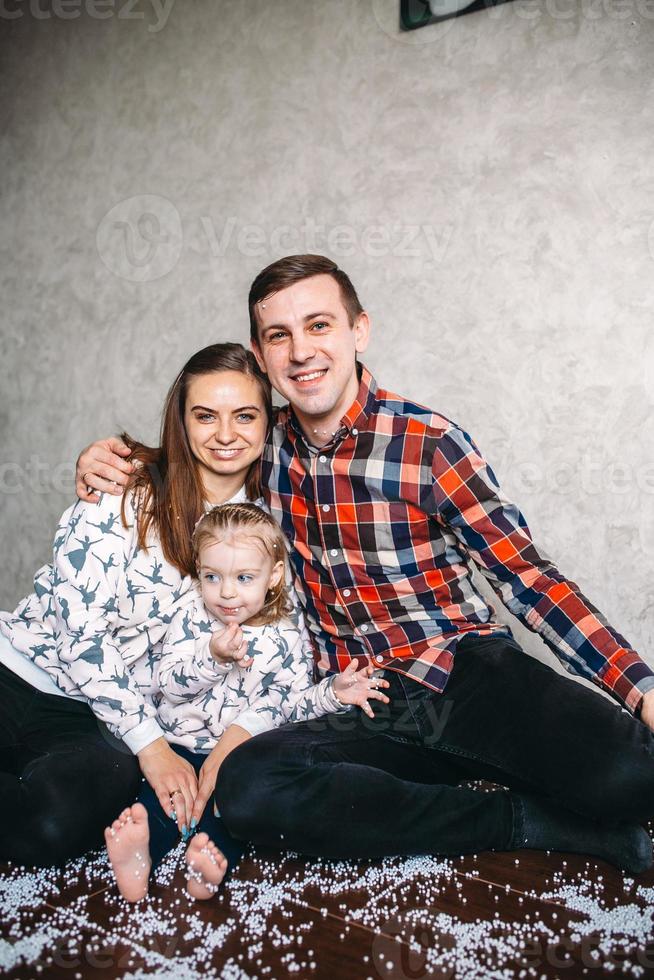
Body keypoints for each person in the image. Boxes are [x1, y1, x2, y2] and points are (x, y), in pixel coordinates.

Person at [76, 254, 654, 874]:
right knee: (253, 785)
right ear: (261, 355)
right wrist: (106, 460)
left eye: (319, 325)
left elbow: (529, 578)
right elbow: (190, 452)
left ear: (359, 331)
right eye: (280, 336)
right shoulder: (255, 442)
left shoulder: (428, 442)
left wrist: (641, 690)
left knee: (630, 777)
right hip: (357, 700)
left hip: (462, 674)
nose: (301, 352)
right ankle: (520, 820)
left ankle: (499, 775)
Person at [0, 342, 277, 866]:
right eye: (205, 415)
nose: (225, 434)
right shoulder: (125, 489)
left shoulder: (262, 528)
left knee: (56, 823)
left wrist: (211, 744)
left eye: (244, 415)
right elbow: (76, 629)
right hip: (18, 667)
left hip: (93, 720)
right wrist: (151, 746)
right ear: (182, 420)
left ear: (268, 424)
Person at [105, 502, 386, 902]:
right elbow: (169, 685)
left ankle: (207, 864)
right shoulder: (191, 617)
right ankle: (139, 855)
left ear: (272, 577)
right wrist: (212, 659)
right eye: (212, 577)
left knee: (228, 810)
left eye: (243, 577)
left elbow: (289, 705)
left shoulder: (287, 636)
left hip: (240, 755)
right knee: (165, 802)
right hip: (180, 747)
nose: (227, 592)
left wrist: (333, 694)